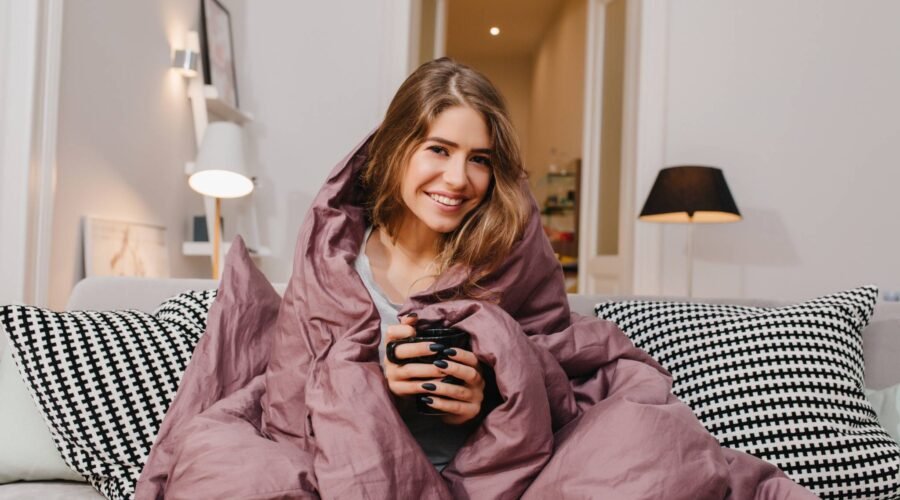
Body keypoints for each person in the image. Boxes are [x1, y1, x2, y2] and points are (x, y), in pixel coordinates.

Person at [354, 56, 527, 469]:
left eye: (479, 159)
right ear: (398, 147)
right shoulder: (338, 260)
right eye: (439, 150)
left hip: (474, 477)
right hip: (359, 475)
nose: (457, 178)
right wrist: (378, 387)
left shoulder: (503, 264)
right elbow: (295, 391)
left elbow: (551, 374)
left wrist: (483, 403)